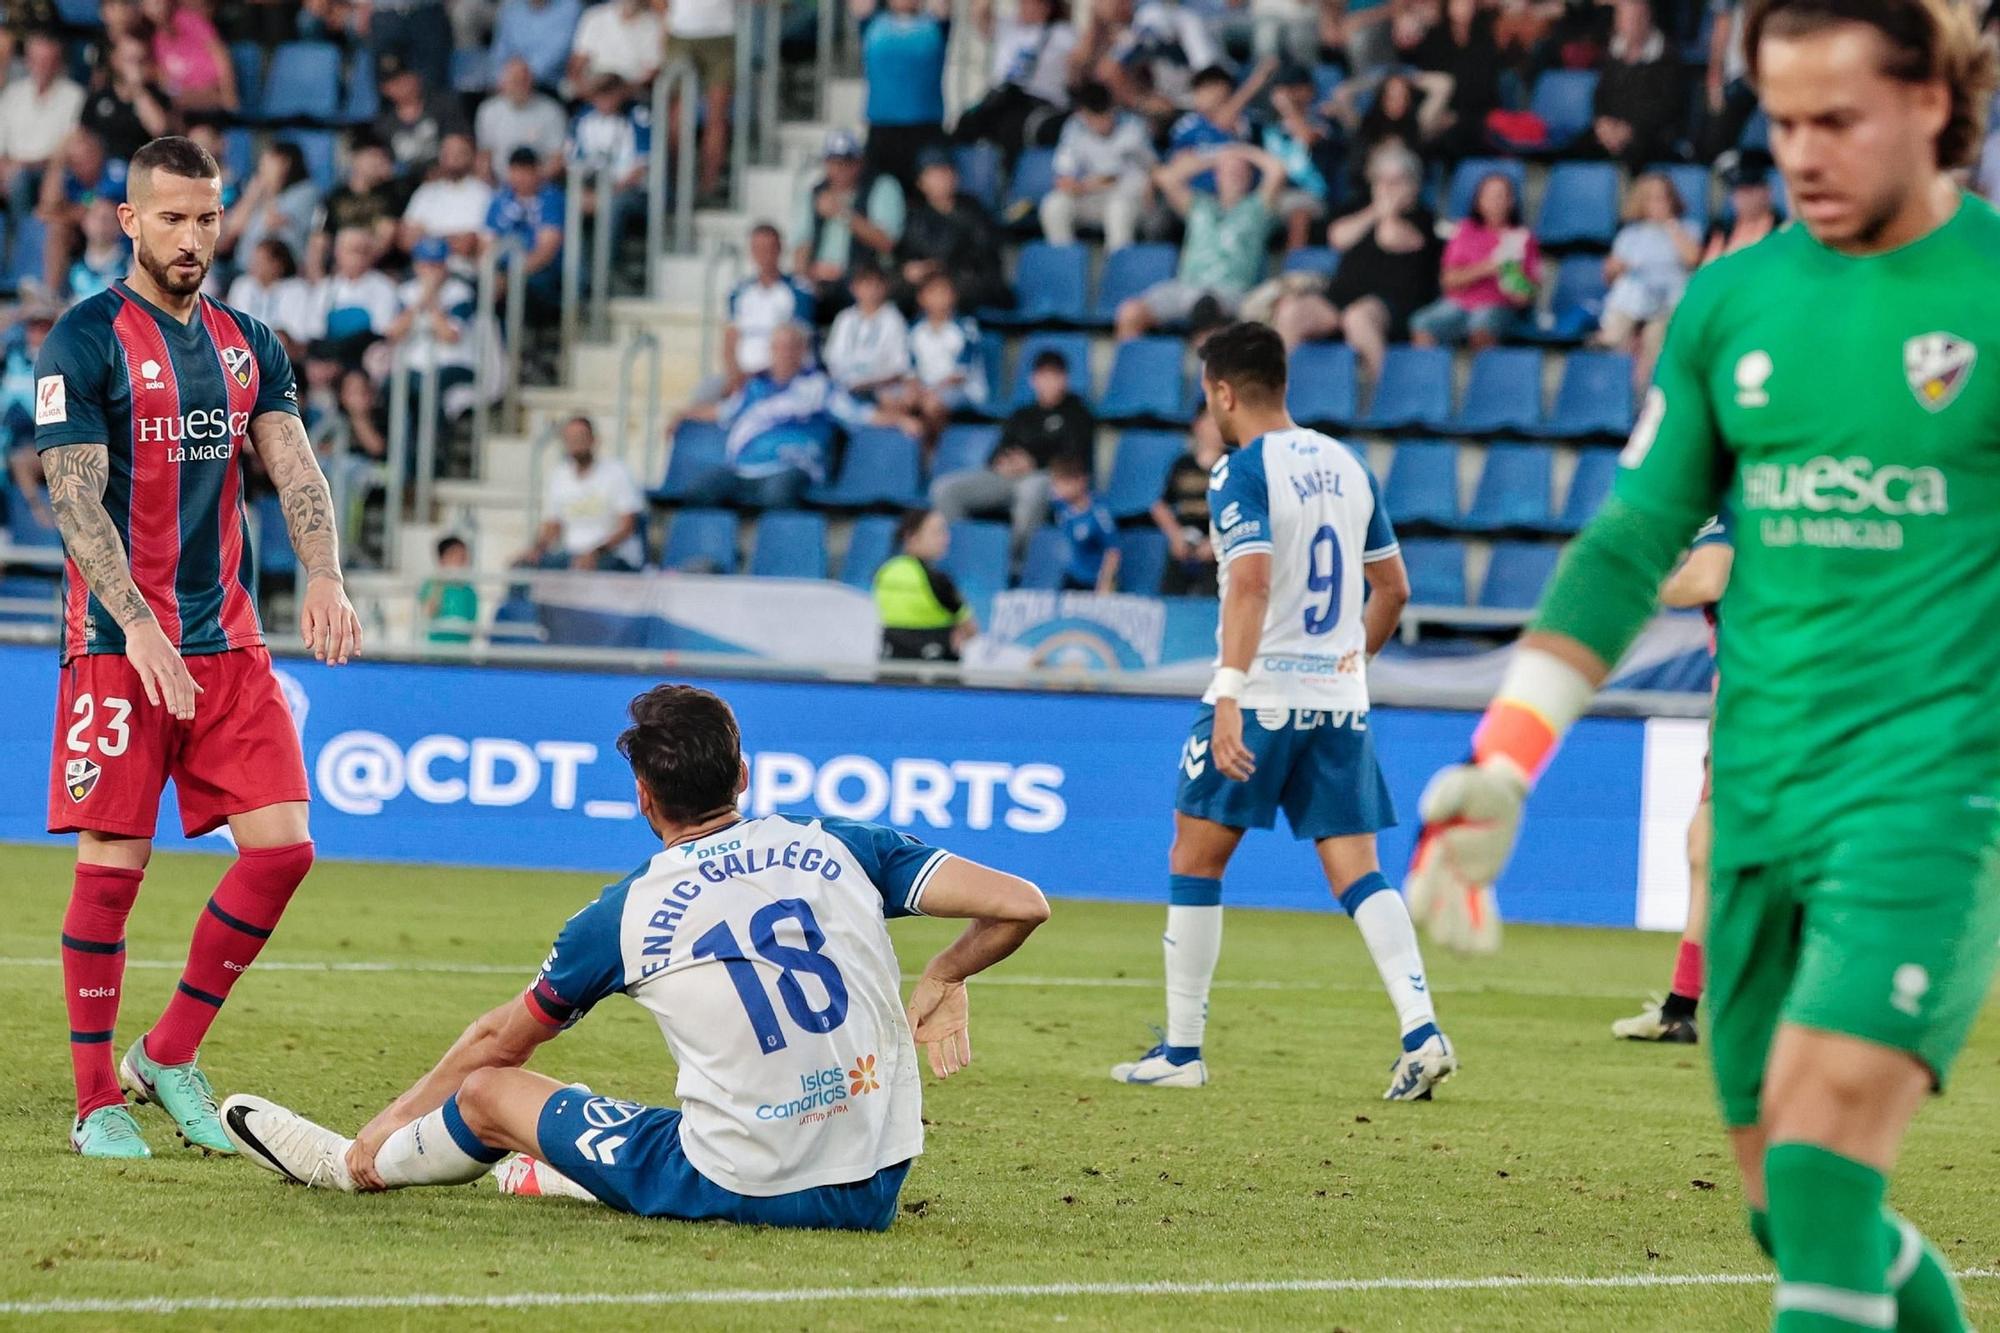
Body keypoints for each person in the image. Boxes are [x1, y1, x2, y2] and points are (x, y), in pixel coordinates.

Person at [1406, 4, 1999, 1327]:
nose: (1802, 153)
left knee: (1822, 1157)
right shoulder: (1735, 301)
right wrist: (1504, 759)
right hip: (1757, 804)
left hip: (1928, 807)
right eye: (1783, 122)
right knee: (1789, 1208)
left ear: (1936, 106)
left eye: (1837, 120)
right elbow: (1629, 548)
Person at [221, 683, 1050, 1228]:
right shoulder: (838, 841)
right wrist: (945, 973)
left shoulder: (626, 912)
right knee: (635, 1115)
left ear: (644, 798)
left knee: (489, 1095)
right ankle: (552, 1166)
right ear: (745, 776)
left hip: (742, 1182)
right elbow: (1021, 903)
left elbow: (496, 1045)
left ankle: (352, 1169)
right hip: (874, 1187)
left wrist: (385, 1124)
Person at [34, 134, 361, 1160]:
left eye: (208, 217)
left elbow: (296, 468)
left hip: (225, 640)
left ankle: (166, 1051)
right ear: (129, 220)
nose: (193, 237)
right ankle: (97, 1100)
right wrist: (136, 627)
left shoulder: (249, 340)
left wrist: (324, 573)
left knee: (284, 849)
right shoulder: (83, 341)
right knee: (114, 861)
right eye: (171, 217)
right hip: (116, 644)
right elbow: (73, 497)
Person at [1110, 320, 1450, 1098]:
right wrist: (1346, 665)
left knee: (1195, 858)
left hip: (1262, 695)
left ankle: (1183, 1050)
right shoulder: (1349, 463)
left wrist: (1229, 692)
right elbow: (1393, 588)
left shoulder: (1239, 471)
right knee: (1359, 871)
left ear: (1224, 392)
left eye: (1208, 397)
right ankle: (1422, 1029)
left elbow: (1253, 582)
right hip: (1336, 702)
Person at [1614, 517, 1733, 1045]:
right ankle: (1680, 1007)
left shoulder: (1730, 507)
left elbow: (1706, 580)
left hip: (1768, 712)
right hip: (1775, 705)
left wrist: (1645, 582)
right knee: (1703, 845)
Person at [1270, 143, 1442, 380]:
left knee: (1357, 318)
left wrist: (1387, 211)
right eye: (1381, 181)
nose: (1387, 189)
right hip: (1340, 297)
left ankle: (1385, 392)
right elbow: (1337, 237)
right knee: (1291, 312)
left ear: (1413, 185)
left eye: (1396, 182)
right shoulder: (1363, 209)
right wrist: (1375, 210)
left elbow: (1390, 237)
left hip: (1391, 304)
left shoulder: (1423, 217)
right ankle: (1277, 396)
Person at [676, 323, 876, 509]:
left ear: (802, 351)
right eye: (778, 347)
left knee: (775, 496)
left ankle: (779, 544)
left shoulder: (820, 387)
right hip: (744, 468)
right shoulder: (754, 388)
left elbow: (860, 414)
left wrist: (901, 420)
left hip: (791, 466)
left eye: (790, 347)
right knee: (699, 491)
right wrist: (683, 414)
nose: (784, 353)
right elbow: (723, 412)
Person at [1113, 144, 1284, 341]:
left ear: (1249, 177)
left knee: (1206, 308)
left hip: (1232, 292)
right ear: (1217, 176)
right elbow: (1166, 178)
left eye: (1240, 171)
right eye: (1228, 171)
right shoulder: (1199, 205)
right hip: (1186, 287)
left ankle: (1205, 370)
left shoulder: (1258, 208)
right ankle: (1132, 369)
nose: (1234, 175)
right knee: (1130, 313)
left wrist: (1241, 150)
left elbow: (1277, 170)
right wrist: (1216, 156)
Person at [930, 348, 1092, 550]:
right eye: (1043, 375)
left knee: (1032, 490)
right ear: (1033, 380)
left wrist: (1034, 463)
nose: (1049, 382)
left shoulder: (1077, 413)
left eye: (1055, 376)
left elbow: (1074, 457)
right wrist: (1004, 463)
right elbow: (996, 453)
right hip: (1007, 477)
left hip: (1046, 477)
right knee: (944, 489)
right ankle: (964, 551)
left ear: (1065, 379)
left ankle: (1014, 563)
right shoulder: (1022, 414)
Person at [1408, 171, 1541, 349]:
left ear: (1511, 201)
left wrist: (1509, 274)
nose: (1495, 202)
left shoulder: (1522, 238)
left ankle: (1486, 373)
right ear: (1478, 201)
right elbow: (1448, 281)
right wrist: (1487, 268)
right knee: (1421, 322)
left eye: (1501, 196)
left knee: (1482, 323)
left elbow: (1524, 297)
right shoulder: (1464, 231)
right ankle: (1430, 373)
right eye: (1489, 196)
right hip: (1459, 304)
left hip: (1498, 306)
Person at [1597, 172, 1701, 391]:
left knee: (1656, 343)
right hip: (1632, 302)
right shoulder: (1629, 235)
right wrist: (1613, 269)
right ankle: (1616, 392)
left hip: (1668, 304)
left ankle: (1647, 396)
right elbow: (1609, 278)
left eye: (1663, 198)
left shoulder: (1688, 228)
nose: (1658, 204)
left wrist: (1671, 225)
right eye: (1651, 199)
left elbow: (1693, 258)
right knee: (1616, 336)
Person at [793, 131, 906, 318]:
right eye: (834, 162)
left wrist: (842, 213)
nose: (840, 169)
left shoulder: (881, 186)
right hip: (819, 280)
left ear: (859, 163)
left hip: (863, 280)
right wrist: (805, 276)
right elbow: (802, 242)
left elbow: (886, 241)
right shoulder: (814, 192)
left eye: (847, 162)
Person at [515, 416, 645, 571]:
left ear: (593, 440)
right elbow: (553, 525)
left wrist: (595, 553)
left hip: (613, 555)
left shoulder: (617, 472)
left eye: (580, 437)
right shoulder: (559, 476)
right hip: (571, 555)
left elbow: (627, 526)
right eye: (570, 438)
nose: (576, 443)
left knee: (587, 567)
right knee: (521, 569)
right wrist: (536, 549)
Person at [954, 0, 1077, 163]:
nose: (1023, 7)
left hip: (1038, 104)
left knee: (1014, 128)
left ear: (1046, 7)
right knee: (966, 122)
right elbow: (979, 10)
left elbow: (1080, 62)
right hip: (1002, 99)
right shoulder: (1008, 27)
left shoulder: (1062, 34)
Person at [1040, 81, 1156, 252]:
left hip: (1128, 198)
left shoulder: (1133, 126)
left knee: (1118, 210)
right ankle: (1065, 266)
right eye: (1094, 117)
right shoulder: (1074, 128)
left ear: (1112, 108)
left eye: (1105, 115)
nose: (1101, 123)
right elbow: (1063, 176)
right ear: (1083, 113)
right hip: (1089, 195)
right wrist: (1080, 185)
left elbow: (1153, 167)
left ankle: (1119, 270)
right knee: (1053, 205)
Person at [894, 150, 1008, 315]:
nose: (942, 179)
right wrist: (910, 270)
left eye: (946, 172)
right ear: (920, 182)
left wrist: (939, 268)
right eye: (934, 174)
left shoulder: (974, 210)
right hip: (927, 285)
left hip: (970, 283)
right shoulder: (915, 217)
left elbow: (983, 257)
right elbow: (905, 256)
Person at [856, 0, 953, 192]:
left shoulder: (933, 24)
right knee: (877, 196)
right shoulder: (873, 23)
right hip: (883, 130)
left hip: (925, 128)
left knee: (933, 195)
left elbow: (943, 7)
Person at [0, 32, 87, 228]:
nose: (42, 67)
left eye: (48, 61)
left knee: (19, 180)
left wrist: (22, 167)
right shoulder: (13, 94)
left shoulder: (74, 96)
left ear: (58, 63)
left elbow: (66, 149)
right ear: (27, 61)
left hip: (50, 171)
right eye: (36, 60)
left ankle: (24, 240)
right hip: (10, 169)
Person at [893, 271, 987, 445]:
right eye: (932, 293)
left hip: (963, 389)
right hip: (925, 388)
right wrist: (915, 387)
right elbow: (910, 368)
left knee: (932, 404)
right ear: (921, 298)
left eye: (944, 293)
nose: (938, 298)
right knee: (895, 399)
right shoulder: (914, 328)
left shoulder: (965, 327)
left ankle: (932, 452)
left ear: (954, 296)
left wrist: (930, 391)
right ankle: (902, 454)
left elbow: (959, 375)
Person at [1590, 0, 1686, 168]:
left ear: (1647, 19)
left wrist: (1629, 130)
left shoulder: (1669, 59)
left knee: (1635, 152)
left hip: (1650, 136)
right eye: (1624, 19)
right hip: (1610, 132)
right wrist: (1602, 123)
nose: (1629, 25)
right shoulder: (1612, 56)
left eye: (1634, 19)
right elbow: (1600, 96)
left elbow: (1667, 107)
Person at [723, 223, 815, 395]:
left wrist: (761, 375)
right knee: (703, 394)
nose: (764, 255)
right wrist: (734, 375)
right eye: (758, 249)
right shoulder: (738, 291)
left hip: (779, 378)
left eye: (769, 248)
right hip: (741, 376)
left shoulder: (799, 290)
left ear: (780, 250)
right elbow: (730, 339)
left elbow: (798, 343)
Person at [875, 508, 978, 661]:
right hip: (933, 675)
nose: (946, 539)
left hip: (890, 670)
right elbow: (971, 629)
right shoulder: (938, 580)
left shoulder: (883, 572)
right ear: (912, 537)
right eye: (937, 532)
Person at [664, 0, 736, 201]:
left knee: (716, 115)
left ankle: (707, 186)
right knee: (677, 114)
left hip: (720, 31)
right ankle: (676, 185)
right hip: (682, 31)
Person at [1149, 410, 1223, 596]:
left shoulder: (1233, 464)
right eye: (1211, 423)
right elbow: (1159, 506)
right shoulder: (1182, 464)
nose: (1216, 429)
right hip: (1184, 543)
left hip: (1218, 549)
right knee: (1171, 594)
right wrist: (1175, 536)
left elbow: (1244, 510)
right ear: (1198, 426)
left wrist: (1217, 542)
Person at [483, 147, 564, 311]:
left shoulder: (551, 198)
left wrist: (513, 276)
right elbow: (487, 242)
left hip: (540, 272)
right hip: (502, 270)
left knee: (521, 289)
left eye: (526, 172)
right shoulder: (499, 200)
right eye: (516, 172)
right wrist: (494, 274)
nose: (521, 178)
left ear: (537, 172)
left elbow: (546, 249)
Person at [307, 138, 401, 280]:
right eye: (372, 156)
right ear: (355, 158)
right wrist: (317, 278)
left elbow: (386, 237)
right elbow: (318, 240)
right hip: (339, 270)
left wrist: (357, 264)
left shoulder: (390, 195)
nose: (376, 162)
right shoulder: (333, 197)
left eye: (381, 157)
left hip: (377, 271)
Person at [398, 133, 494, 266]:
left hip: (465, 272)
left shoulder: (484, 194)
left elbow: (469, 245)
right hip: (422, 271)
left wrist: (428, 238)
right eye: (447, 152)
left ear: (471, 157)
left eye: (459, 152)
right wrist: (453, 239)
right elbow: (406, 241)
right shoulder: (425, 192)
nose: (453, 157)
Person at [221, 141, 321, 269]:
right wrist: (251, 197)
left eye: (269, 163)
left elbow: (274, 222)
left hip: (283, 271)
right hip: (246, 269)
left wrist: (270, 190)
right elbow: (233, 229)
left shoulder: (306, 191)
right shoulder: (257, 192)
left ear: (286, 163)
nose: (262, 169)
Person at [372, 57, 471, 185]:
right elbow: (387, 165)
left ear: (416, 77)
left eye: (404, 78)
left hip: (450, 179)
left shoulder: (443, 105)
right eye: (394, 82)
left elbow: (461, 142)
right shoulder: (383, 125)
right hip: (406, 187)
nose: (402, 85)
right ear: (385, 89)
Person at [822, 263, 913, 401]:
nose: (871, 291)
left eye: (877, 285)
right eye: (866, 285)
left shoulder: (893, 319)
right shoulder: (844, 318)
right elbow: (832, 358)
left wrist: (868, 384)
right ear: (854, 288)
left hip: (880, 387)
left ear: (886, 288)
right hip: (844, 386)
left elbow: (899, 367)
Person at [81, 32, 175, 164]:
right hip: (104, 168)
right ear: (115, 61)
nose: (136, 67)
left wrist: (138, 90)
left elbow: (159, 129)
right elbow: (83, 134)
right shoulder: (100, 96)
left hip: (143, 168)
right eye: (130, 60)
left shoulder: (157, 95)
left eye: (140, 61)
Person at [475, 57, 569, 183]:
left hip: (541, 186)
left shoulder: (551, 111)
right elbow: (484, 156)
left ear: (532, 81)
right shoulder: (488, 111)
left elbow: (558, 158)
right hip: (501, 186)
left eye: (524, 79)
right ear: (502, 82)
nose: (520, 85)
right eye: (515, 80)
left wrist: (528, 183)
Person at [144, 0, 238, 115]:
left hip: (217, 90)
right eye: (149, 4)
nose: (156, 9)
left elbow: (220, 53)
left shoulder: (189, 20)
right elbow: (167, 83)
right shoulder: (155, 41)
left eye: (158, 3)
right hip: (192, 101)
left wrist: (228, 91)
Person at [1046, 454, 1119, 593]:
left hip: (1091, 581)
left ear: (1080, 481)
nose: (1056, 489)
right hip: (1069, 578)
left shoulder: (1099, 514)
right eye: (1055, 484)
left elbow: (1113, 551)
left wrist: (1104, 584)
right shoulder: (1061, 504)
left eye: (1062, 483)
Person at [488, 0, 583, 92]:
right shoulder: (511, 9)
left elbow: (558, 52)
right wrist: (504, 76)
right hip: (510, 84)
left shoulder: (570, 6)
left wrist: (521, 75)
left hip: (550, 86)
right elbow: (499, 53)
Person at [1703, 152, 1782, 262]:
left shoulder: (1782, 229)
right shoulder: (1722, 230)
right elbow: (1706, 270)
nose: (1742, 198)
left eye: (1748, 190)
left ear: (1766, 191)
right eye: (1736, 191)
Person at [568, 0, 664, 90]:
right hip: (593, 89)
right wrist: (588, 92)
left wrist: (621, 93)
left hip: (631, 93)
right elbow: (578, 63)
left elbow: (652, 71)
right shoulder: (595, 16)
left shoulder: (654, 25)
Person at [420, 534, 480, 644]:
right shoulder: (431, 584)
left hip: (462, 651)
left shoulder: (469, 591)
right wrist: (439, 584)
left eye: (464, 557)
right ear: (442, 559)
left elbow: (472, 625)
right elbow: (428, 613)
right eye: (456, 556)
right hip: (436, 649)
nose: (461, 562)